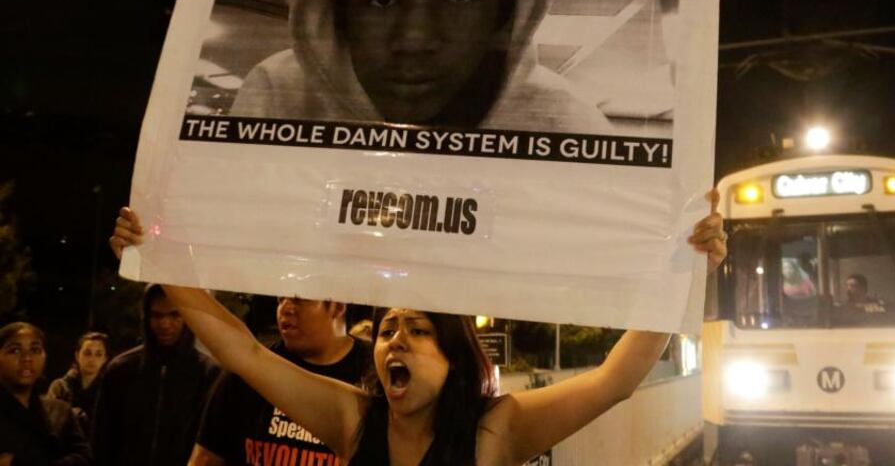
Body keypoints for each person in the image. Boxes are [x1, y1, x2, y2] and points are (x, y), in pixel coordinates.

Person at [109, 193, 725, 466]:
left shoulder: (498, 430)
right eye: (387, 330)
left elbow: (616, 379)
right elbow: (243, 352)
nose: (395, 340)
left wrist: (684, 272)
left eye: (419, 330)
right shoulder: (353, 419)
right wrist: (160, 264)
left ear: (455, 355)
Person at [231, 0, 613, 132]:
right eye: (382, 1)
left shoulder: (563, 120)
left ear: (505, 15)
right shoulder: (278, 90)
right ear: (339, 14)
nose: (414, 40)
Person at [188, 295, 368, 466]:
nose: (286, 308)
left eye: (299, 299)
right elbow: (205, 459)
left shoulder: (372, 373)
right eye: (281, 299)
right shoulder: (249, 369)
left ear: (337, 305)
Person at [90, 284, 219, 466]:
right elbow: (102, 441)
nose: (165, 324)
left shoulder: (209, 374)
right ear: (146, 316)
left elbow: (215, 446)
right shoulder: (120, 370)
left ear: (187, 317)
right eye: (157, 315)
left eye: (174, 315)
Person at [0, 322, 92, 466]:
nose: (27, 358)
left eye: (35, 350)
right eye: (15, 351)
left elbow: (84, 458)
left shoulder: (59, 411)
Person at [47, 331, 109, 431]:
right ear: (77, 355)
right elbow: (51, 421)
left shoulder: (108, 390)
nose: (92, 359)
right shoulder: (60, 386)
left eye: (98, 354)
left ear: (105, 359)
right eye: (87, 353)